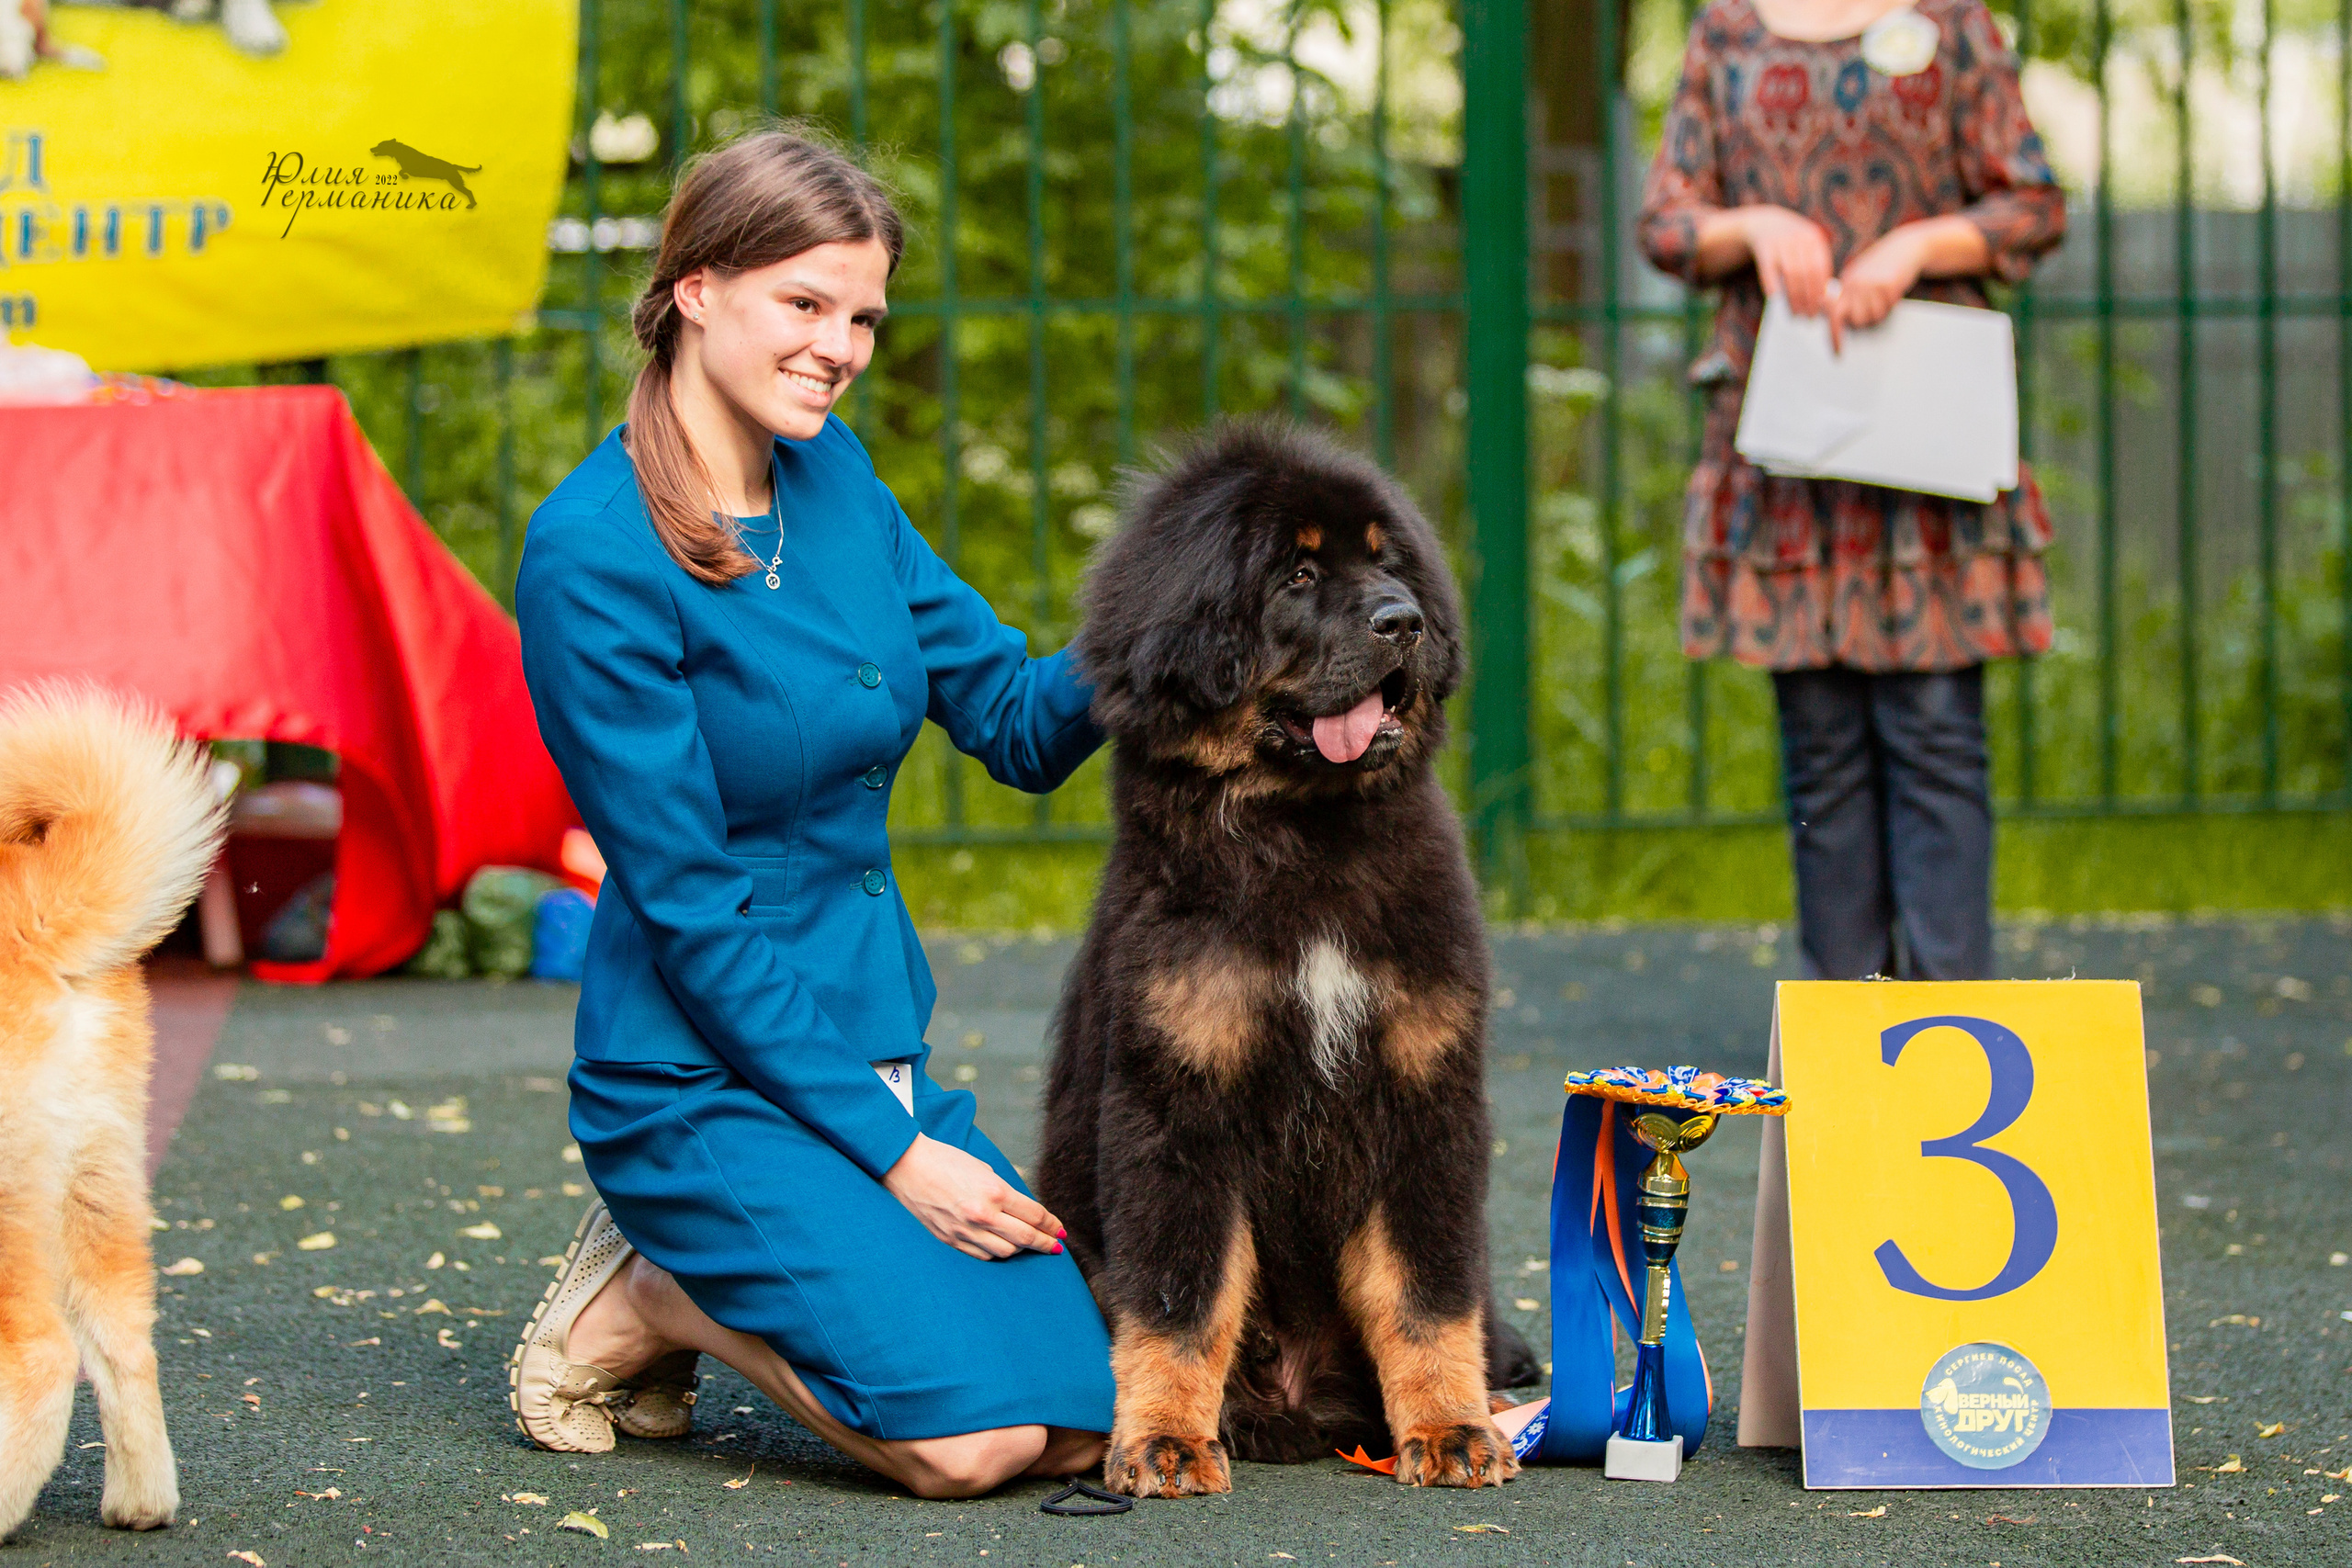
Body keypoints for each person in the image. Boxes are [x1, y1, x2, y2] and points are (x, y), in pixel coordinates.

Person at [507, 128, 1113, 1499]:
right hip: (697, 1077)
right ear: (695, 288)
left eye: (864, 318)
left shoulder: (835, 480)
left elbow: (1018, 724)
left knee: (1085, 1423)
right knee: (968, 1448)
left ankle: (755, 1271)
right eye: (805, 303)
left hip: (871, 1043)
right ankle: (657, 1294)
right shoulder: (593, 553)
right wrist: (904, 1160)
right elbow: (691, 911)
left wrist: (1168, 617)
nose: (839, 348)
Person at [1636, 0, 2065, 980]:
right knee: (1820, 747)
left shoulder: (1951, 21)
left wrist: (1916, 246)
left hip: (1928, 445)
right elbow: (1666, 223)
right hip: (1787, 437)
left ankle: (1947, 1018)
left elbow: (2034, 205)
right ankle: (1849, 1022)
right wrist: (1752, 226)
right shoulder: (1727, 30)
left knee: (1936, 733)